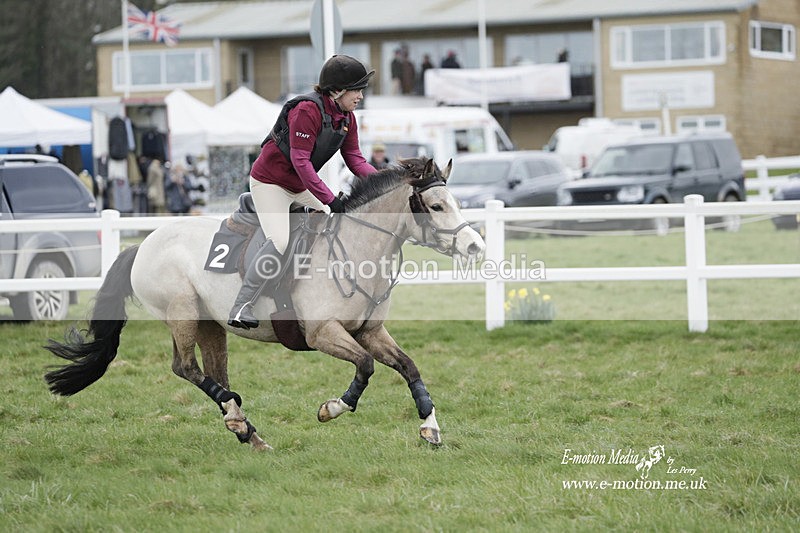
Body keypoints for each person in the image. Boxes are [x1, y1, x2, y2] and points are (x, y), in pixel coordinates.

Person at [228, 54, 378, 329]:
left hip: (299, 186)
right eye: (357, 90)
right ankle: (241, 305)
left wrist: (385, 181)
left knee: (334, 227)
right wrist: (330, 199)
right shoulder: (306, 111)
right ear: (338, 90)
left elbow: (355, 159)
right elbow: (301, 162)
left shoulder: (347, 118)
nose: (360, 96)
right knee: (280, 240)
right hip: (270, 184)